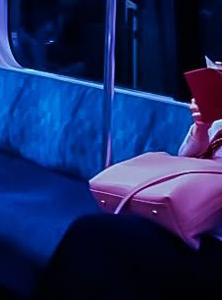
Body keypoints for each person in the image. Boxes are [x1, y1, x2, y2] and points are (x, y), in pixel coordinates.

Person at [33, 75, 222, 299]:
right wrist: (202, 128)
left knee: (96, 237)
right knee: (92, 235)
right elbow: (188, 162)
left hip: (212, 243)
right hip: (186, 223)